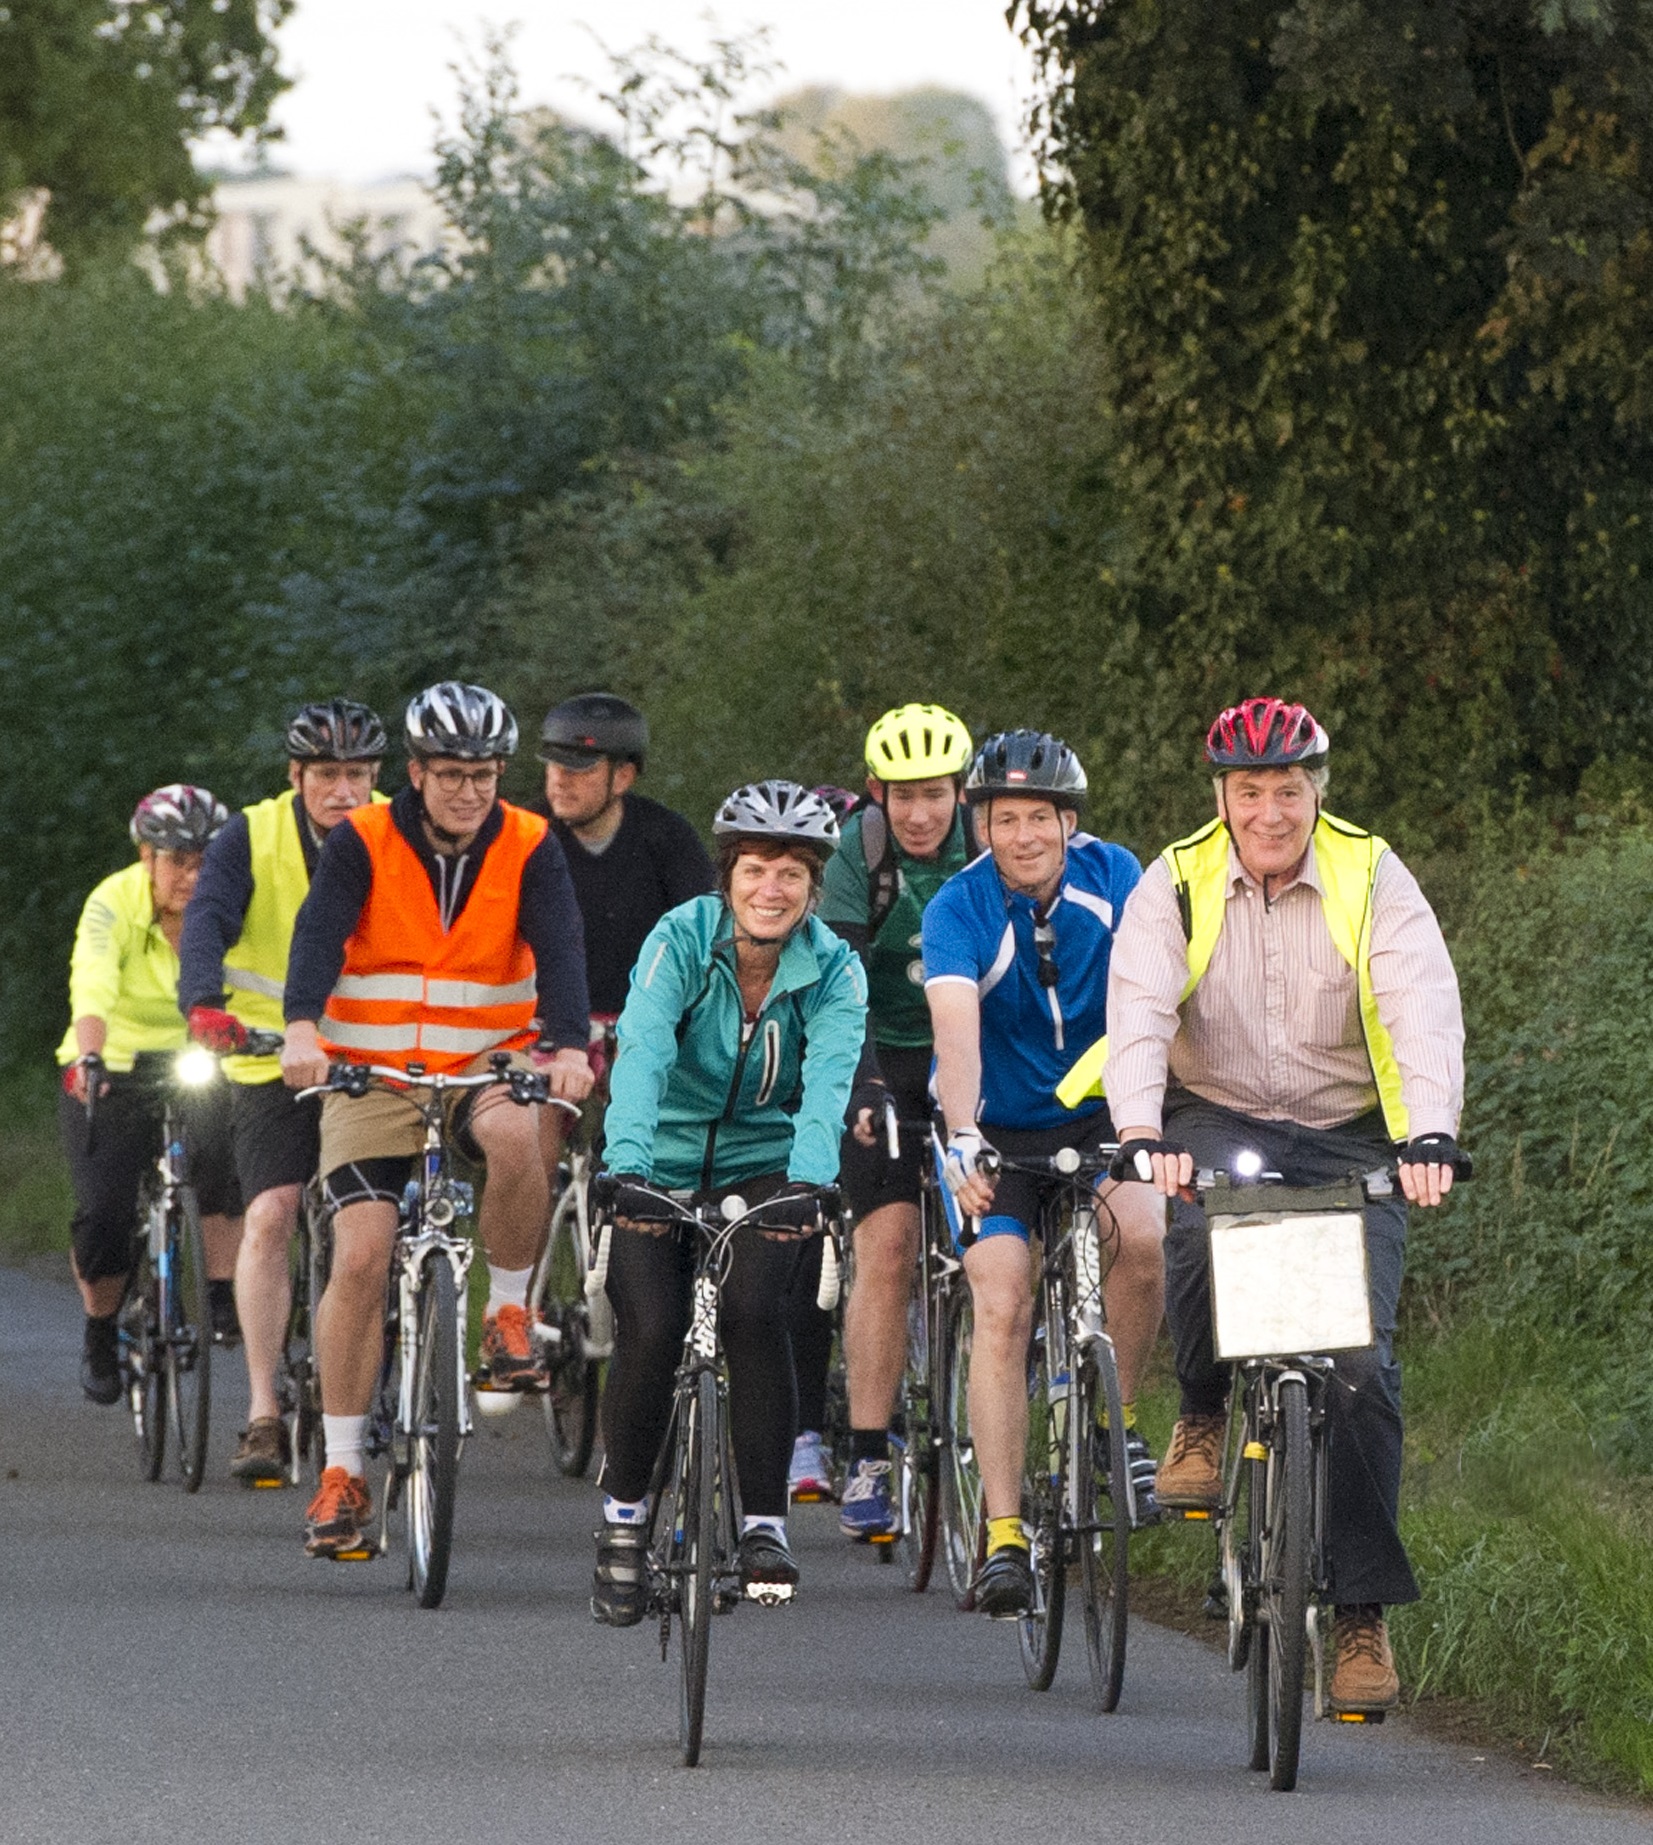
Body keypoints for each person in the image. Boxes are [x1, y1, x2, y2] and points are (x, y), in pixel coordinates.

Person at [1100, 696, 1464, 1712]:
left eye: (1289, 791)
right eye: (1250, 791)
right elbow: (1137, 1009)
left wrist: (1430, 1131)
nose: (1270, 812)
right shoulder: (1173, 881)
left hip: (1352, 1131)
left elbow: (1421, 1003)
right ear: (1221, 798)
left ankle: (1359, 1620)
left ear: (1318, 793)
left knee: (1361, 1372)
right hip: (1217, 1113)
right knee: (1193, 1226)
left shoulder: (1372, 874)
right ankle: (1204, 1415)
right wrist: (1140, 1132)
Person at [279, 682, 594, 1559]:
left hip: (487, 1062)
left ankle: (505, 1314)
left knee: (515, 1137)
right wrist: (303, 1025)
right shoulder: (364, 840)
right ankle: (342, 1471)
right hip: (368, 1073)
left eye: (485, 774)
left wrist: (567, 1043)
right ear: (414, 773)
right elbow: (318, 935)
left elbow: (561, 944)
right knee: (365, 1251)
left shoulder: (531, 843)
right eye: (451, 774)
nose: (468, 791)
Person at [589, 781, 866, 1624]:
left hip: (763, 1165)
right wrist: (626, 1163)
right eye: (755, 869)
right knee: (650, 1329)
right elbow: (638, 1052)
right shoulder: (680, 939)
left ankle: (762, 1526)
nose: (770, 889)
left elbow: (826, 1084)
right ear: (728, 875)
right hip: (660, 1158)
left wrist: (811, 1182)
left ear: (814, 887)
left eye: (790, 873)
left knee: (756, 1313)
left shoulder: (834, 969)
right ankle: (625, 1522)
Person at [922, 730, 1167, 1617]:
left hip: (1102, 1112)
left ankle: (1115, 1426)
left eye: (1039, 816)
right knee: (1002, 1297)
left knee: (1140, 1234)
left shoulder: (1117, 877)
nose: (1021, 835)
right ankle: (1003, 1532)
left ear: (1069, 821)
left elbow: (1155, 990)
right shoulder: (957, 905)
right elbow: (954, 1025)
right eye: (1001, 817)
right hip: (995, 1123)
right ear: (980, 823)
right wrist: (960, 1137)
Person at [178, 700, 386, 1485]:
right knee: (269, 1212)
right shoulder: (250, 834)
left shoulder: (394, 834)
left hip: (370, 1054)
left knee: (377, 1224)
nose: (344, 791)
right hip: (269, 1055)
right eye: (328, 775)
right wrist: (203, 1000)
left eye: (359, 775)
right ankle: (264, 1410)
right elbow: (208, 916)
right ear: (295, 776)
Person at [789, 703, 974, 1536]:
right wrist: (861, 1087)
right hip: (883, 1052)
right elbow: (842, 985)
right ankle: (866, 1450)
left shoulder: (988, 842)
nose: (919, 812)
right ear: (875, 794)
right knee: (886, 1244)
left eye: (933, 793)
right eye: (901, 796)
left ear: (959, 791)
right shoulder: (856, 852)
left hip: (970, 1049)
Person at [57, 786, 243, 1404]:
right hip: (113, 1061)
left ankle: (220, 1293)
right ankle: (100, 1329)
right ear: (147, 857)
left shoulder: (233, 902)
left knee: (224, 1161)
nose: (192, 877)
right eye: (178, 861)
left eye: (204, 862)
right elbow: (93, 979)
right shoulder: (112, 901)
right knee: (104, 1213)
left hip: (202, 1054)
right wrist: (90, 1053)